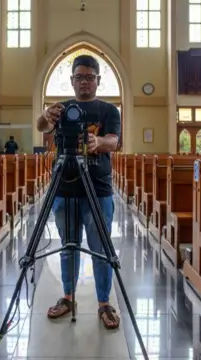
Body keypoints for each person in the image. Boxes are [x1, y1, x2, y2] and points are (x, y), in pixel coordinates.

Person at [36, 54, 121, 330]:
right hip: (65, 186)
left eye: (89, 77)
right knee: (67, 245)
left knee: (101, 247)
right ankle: (68, 297)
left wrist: (98, 141)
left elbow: (115, 141)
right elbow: (41, 127)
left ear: (98, 80)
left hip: (98, 188)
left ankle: (104, 303)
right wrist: (45, 114)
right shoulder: (62, 108)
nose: (84, 82)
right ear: (71, 80)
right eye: (79, 77)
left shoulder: (109, 110)